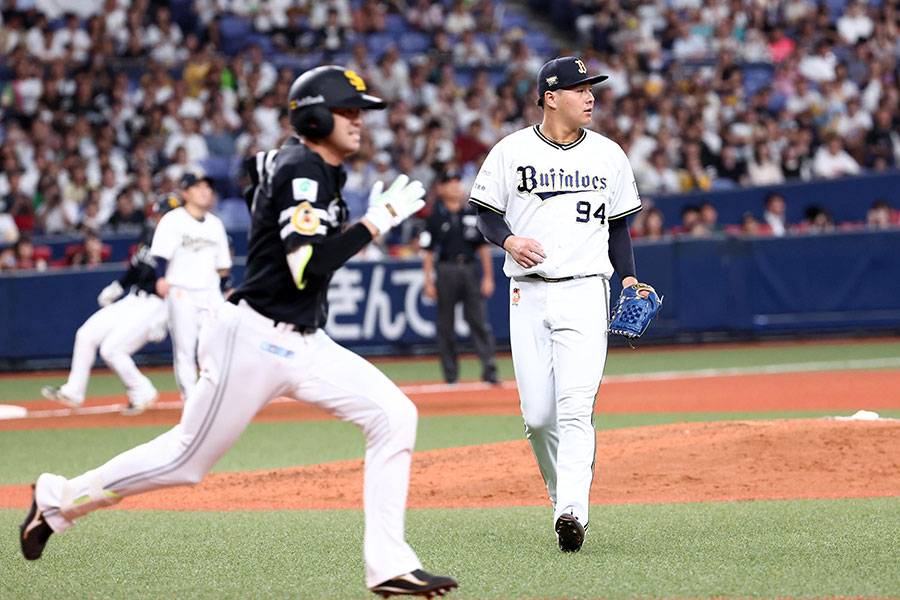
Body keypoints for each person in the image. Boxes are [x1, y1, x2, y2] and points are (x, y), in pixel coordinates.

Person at [20, 65, 458, 600]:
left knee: (394, 414)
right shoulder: (304, 166)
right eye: (348, 110)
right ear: (316, 115)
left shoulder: (310, 167)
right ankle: (59, 500)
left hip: (304, 340)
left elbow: (256, 170)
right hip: (254, 340)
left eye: (359, 111)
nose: (359, 121)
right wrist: (375, 222)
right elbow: (307, 266)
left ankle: (389, 565)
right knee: (185, 461)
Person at [469, 57, 651, 552]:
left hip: (587, 289)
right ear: (551, 97)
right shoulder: (511, 151)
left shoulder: (609, 155)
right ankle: (560, 498)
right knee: (539, 418)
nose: (590, 96)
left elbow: (618, 226)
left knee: (574, 409)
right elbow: (484, 215)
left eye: (592, 88)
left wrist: (629, 277)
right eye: (579, 89)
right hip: (525, 292)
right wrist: (508, 241)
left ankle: (573, 510)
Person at [40, 195, 179, 415]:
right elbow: (138, 266)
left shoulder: (181, 242)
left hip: (157, 304)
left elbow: (181, 284)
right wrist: (118, 285)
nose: (159, 218)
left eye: (165, 215)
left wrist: (166, 316)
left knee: (112, 350)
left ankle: (142, 391)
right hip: (134, 298)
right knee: (86, 334)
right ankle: (73, 391)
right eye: (159, 214)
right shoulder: (150, 233)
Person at [151, 170, 232, 405]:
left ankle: (216, 395)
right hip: (182, 291)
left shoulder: (215, 224)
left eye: (207, 187)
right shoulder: (173, 220)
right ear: (185, 193)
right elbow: (160, 255)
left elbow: (223, 264)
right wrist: (160, 279)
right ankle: (191, 401)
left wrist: (227, 288)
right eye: (198, 187)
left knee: (219, 345)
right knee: (185, 350)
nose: (205, 191)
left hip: (211, 293)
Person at [420, 169, 499, 385]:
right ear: (440, 188)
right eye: (450, 183)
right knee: (445, 324)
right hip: (445, 269)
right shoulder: (434, 218)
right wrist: (428, 281)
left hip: (470, 268)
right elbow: (427, 252)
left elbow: (483, 249)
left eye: (457, 182)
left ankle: (490, 370)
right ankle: (451, 375)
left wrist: (488, 277)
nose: (455, 186)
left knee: (479, 321)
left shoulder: (472, 215)